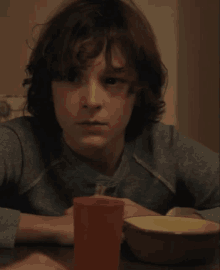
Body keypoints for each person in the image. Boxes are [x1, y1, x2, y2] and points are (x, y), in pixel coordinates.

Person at [0, 0, 219, 261]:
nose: (92, 100)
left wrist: (164, 223)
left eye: (112, 80)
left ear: (137, 91)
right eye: (71, 77)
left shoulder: (163, 147)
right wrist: (54, 229)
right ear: (49, 87)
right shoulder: (19, 143)